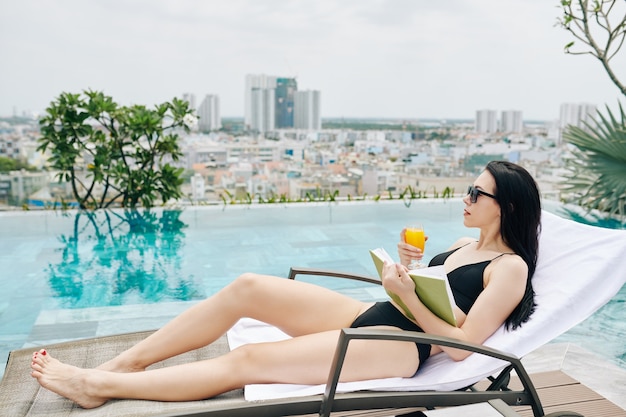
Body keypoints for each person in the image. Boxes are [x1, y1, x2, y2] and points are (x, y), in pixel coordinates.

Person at [30, 160, 541, 408]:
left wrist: (407, 295)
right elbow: (435, 296)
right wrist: (405, 273)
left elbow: (460, 347)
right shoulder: (459, 244)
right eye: (470, 188)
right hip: (380, 316)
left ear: (508, 207)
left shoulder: (509, 268)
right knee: (249, 286)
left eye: (478, 192)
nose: (467, 197)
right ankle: (129, 361)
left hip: (403, 349)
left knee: (248, 364)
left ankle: (99, 384)